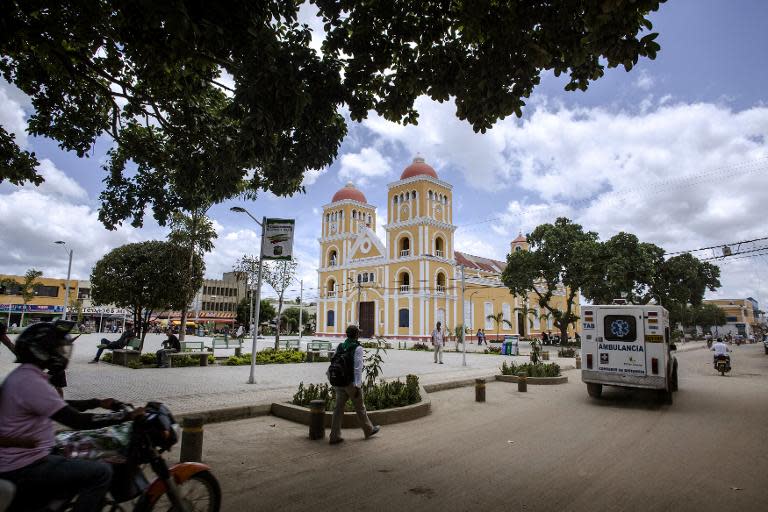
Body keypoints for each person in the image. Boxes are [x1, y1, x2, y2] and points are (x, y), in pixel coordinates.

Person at [0, 320, 142, 512]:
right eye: (59, 349)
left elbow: (57, 405)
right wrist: (126, 416)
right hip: (26, 466)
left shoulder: (26, 376)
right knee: (101, 472)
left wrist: (97, 402)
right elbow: (76, 420)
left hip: (26, 458)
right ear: (43, 352)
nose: (62, 354)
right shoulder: (30, 382)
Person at [328, 325, 380, 445]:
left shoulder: (340, 346)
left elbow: (333, 362)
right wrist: (358, 385)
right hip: (351, 383)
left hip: (339, 382)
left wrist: (332, 379)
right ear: (356, 335)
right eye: (358, 333)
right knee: (360, 407)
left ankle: (334, 436)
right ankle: (368, 430)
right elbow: (358, 368)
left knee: (338, 409)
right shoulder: (357, 348)